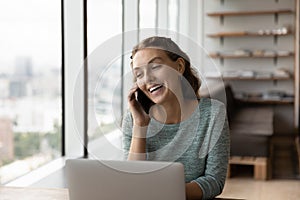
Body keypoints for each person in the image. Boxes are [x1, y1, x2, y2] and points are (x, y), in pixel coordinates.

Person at [122, 36, 230, 200]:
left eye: (155, 66)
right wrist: (140, 126)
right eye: (139, 74)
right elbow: (131, 182)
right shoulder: (133, 119)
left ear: (179, 66)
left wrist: (167, 194)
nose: (148, 78)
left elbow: (215, 181)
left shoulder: (214, 113)